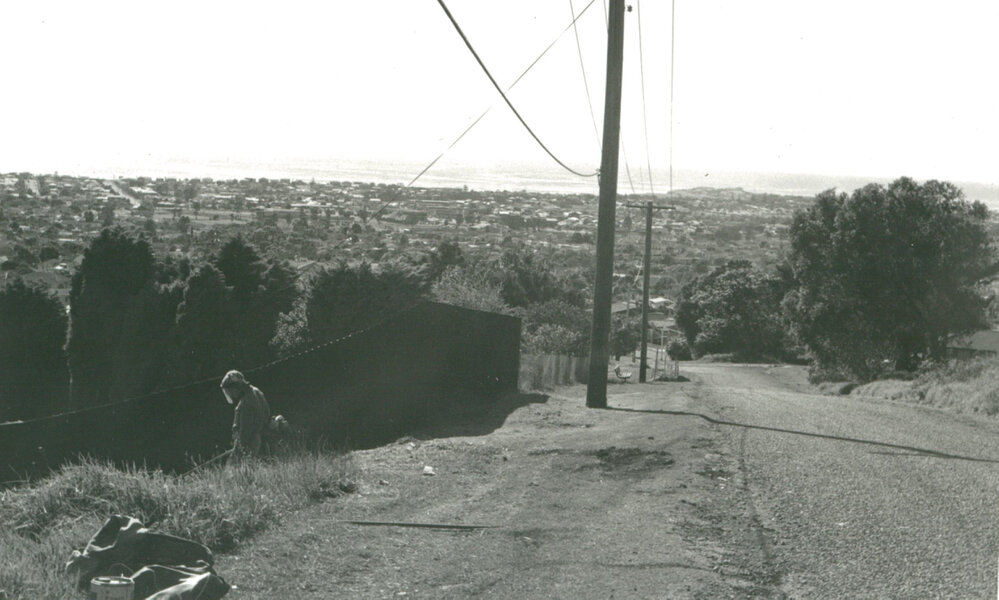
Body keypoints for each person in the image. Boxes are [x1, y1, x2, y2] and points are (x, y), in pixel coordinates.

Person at [219, 370, 270, 457]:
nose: (230, 394)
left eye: (230, 390)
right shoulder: (257, 392)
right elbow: (267, 414)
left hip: (250, 446)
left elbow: (244, 433)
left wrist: (236, 451)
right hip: (262, 440)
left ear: (235, 387)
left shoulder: (245, 403)